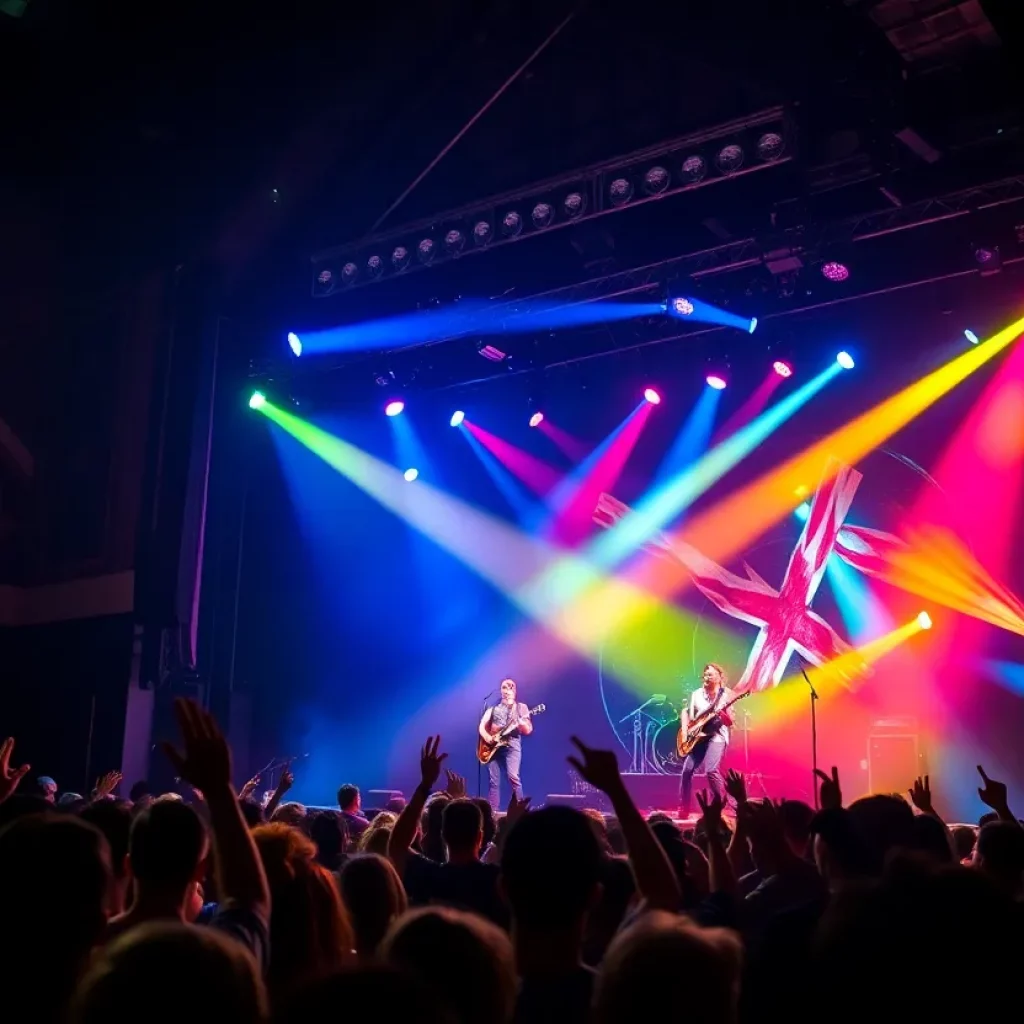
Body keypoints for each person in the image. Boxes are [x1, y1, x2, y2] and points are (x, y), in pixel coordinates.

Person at [678, 663, 734, 819]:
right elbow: (686, 712)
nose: (706, 677)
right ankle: (684, 808)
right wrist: (684, 731)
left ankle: (717, 806)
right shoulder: (696, 694)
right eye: (705, 674)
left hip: (717, 736)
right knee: (687, 770)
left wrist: (723, 716)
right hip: (698, 737)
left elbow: (730, 722)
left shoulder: (725, 695)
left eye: (710, 674)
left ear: (719, 678)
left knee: (710, 770)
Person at [479, 678, 533, 812]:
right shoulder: (493, 708)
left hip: (512, 744)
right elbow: (482, 725)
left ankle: (520, 809)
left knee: (513, 776)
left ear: (515, 691)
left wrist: (521, 723)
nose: (508, 690)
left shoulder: (521, 707)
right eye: (504, 687)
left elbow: (528, 730)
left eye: (511, 687)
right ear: (501, 691)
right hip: (492, 747)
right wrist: (488, 737)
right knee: (494, 781)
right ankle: (492, 812)